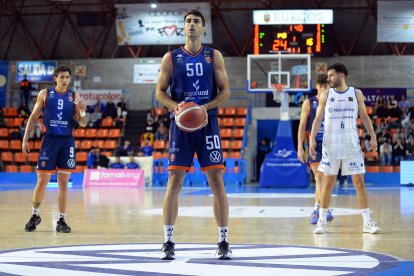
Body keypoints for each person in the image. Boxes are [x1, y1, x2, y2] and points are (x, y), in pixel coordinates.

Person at [155, 10, 232, 260]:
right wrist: (175, 107)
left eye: (196, 22)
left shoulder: (214, 56)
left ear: (203, 29)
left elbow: (225, 92)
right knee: (174, 182)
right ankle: (168, 241)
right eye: (187, 21)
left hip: (208, 124)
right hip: (181, 126)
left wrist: (203, 109)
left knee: (216, 182)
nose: (191, 25)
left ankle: (223, 240)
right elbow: (160, 92)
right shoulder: (171, 57)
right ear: (183, 27)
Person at [310, 63, 381, 234]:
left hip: (351, 144)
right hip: (331, 144)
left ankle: (367, 222)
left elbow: (364, 116)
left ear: (341, 76)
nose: (329, 78)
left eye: (331, 75)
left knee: (359, 183)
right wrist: (312, 138)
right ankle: (321, 221)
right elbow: (318, 118)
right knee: (328, 184)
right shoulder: (326, 95)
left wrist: (372, 135)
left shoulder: (356, 94)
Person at [22, 65, 87, 233]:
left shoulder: (75, 97)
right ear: (55, 78)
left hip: (67, 142)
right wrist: (25, 138)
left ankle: (62, 220)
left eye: (67, 77)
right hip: (49, 140)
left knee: (63, 183)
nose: (65, 80)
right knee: (42, 181)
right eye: (62, 77)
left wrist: (82, 113)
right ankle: (35, 215)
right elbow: (33, 117)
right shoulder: (45, 94)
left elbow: (84, 123)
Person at [297, 73, 333, 224]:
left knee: (326, 179)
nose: (323, 89)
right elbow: (302, 126)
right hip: (314, 144)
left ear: (329, 86)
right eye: (320, 86)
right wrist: (300, 147)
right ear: (317, 87)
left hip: (331, 144)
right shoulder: (309, 103)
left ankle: (317, 208)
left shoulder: (334, 102)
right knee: (318, 177)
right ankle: (325, 209)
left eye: (325, 86)